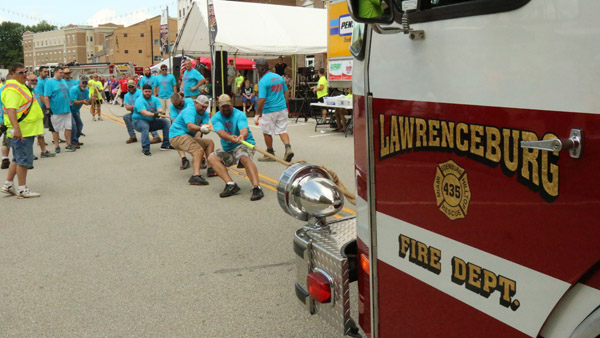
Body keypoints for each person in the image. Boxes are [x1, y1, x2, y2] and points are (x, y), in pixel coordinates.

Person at [0, 63, 45, 198]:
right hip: (22, 131)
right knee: (23, 161)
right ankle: (22, 189)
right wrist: (17, 129)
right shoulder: (13, 89)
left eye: (25, 71)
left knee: (17, 158)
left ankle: (8, 184)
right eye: (21, 72)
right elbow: (11, 110)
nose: (25, 74)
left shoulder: (20, 87)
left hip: (27, 129)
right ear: (12, 74)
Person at [207, 94, 263, 201]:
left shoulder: (240, 115)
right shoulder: (216, 118)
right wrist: (231, 138)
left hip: (244, 144)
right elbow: (221, 133)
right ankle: (231, 184)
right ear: (219, 106)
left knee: (243, 157)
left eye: (228, 105)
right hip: (229, 148)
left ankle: (257, 188)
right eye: (223, 106)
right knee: (211, 157)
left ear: (231, 104)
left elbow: (244, 129)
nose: (226, 108)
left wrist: (241, 136)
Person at [169, 95, 218, 185]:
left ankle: (211, 169)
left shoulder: (205, 114)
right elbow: (190, 126)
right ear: (196, 103)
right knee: (198, 150)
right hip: (177, 135)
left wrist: (205, 129)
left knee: (209, 142)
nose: (204, 109)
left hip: (187, 136)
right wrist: (201, 128)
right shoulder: (190, 110)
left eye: (206, 107)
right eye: (202, 106)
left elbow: (204, 129)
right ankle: (195, 176)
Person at [254, 58, 294, 162]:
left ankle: (270, 153)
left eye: (257, 68)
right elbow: (286, 91)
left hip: (269, 110)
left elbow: (262, 99)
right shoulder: (279, 77)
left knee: (266, 131)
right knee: (282, 130)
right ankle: (287, 147)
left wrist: (258, 113)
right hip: (282, 108)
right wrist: (284, 103)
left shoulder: (263, 82)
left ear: (261, 68)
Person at [132, 84, 173, 156]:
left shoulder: (155, 99)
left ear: (152, 92)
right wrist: (154, 114)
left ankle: (166, 145)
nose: (147, 93)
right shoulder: (139, 100)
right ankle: (145, 149)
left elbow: (159, 108)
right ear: (142, 91)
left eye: (149, 91)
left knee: (166, 122)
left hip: (151, 121)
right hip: (138, 122)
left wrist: (161, 112)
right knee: (145, 126)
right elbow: (144, 112)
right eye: (146, 91)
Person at [44, 66, 76, 153]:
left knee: (69, 127)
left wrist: (70, 103)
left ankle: (68, 144)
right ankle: (57, 146)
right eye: (60, 73)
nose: (62, 74)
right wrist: (48, 108)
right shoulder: (50, 82)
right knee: (55, 129)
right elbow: (46, 96)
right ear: (55, 72)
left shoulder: (63, 81)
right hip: (56, 110)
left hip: (66, 109)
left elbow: (67, 93)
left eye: (63, 73)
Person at [123, 80, 161, 144]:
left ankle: (156, 136)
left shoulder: (140, 92)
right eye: (129, 87)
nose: (131, 88)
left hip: (145, 111)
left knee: (148, 118)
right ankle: (133, 137)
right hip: (135, 113)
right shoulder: (126, 95)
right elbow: (127, 107)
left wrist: (135, 107)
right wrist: (136, 107)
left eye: (132, 86)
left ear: (135, 86)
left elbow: (144, 104)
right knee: (126, 117)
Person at [26, 74, 54, 158]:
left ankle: (44, 151)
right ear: (28, 80)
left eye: (36, 80)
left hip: (38, 115)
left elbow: (42, 97)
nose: (34, 82)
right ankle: (29, 154)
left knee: (41, 134)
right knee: (29, 137)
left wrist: (47, 108)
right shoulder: (25, 90)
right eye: (32, 80)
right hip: (29, 117)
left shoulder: (36, 89)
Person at [169, 93, 195, 169]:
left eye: (180, 104)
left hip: (191, 124)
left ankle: (200, 158)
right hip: (181, 126)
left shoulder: (189, 101)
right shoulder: (172, 107)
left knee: (196, 138)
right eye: (176, 105)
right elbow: (174, 121)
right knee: (177, 136)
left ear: (182, 99)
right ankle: (184, 159)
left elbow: (191, 113)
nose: (178, 107)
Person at [35, 66, 55, 157]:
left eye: (47, 72)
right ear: (40, 72)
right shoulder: (38, 82)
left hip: (48, 104)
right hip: (42, 106)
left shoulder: (48, 80)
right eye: (45, 72)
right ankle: (40, 141)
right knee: (41, 125)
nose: (46, 73)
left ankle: (55, 138)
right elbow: (41, 96)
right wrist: (47, 107)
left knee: (51, 123)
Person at [69, 75, 90, 149]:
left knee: (80, 125)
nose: (84, 85)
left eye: (86, 83)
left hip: (76, 110)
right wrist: (82, 101)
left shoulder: (86, 90)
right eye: (83, 82)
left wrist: (92, 99)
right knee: (73, 126)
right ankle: (72, 142)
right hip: (69, 109)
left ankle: (76, 140)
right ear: (79, 82)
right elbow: (74, 101)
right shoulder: (74, 89)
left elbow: (87, 101)